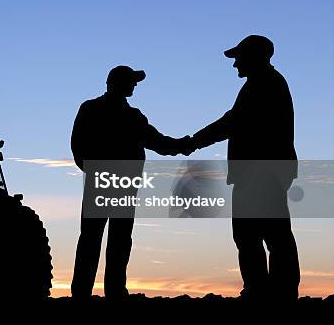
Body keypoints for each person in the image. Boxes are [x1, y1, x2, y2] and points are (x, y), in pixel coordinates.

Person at [187, 35, 300, 300]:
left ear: (254, 57)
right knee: (260, 234)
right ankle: (267, 290)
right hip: (263, 171)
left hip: (260, 172)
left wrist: (193, 141)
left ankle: (269, 292)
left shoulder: (264, 84)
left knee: (261, 234)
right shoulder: (263, 83)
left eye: (239, 57)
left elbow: (232, 122)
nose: (235, 64)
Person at [70, 65, 191, 300]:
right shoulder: (94, 109)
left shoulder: (131, 115)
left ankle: (111, 291)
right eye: (131, 81)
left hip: (122, 184)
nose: (134, 85)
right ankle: (85, 293)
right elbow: (79, 146)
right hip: (105, 182)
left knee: (117, 238)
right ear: (116, 83)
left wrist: (183, 144)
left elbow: (158, 142)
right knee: (95, 238)